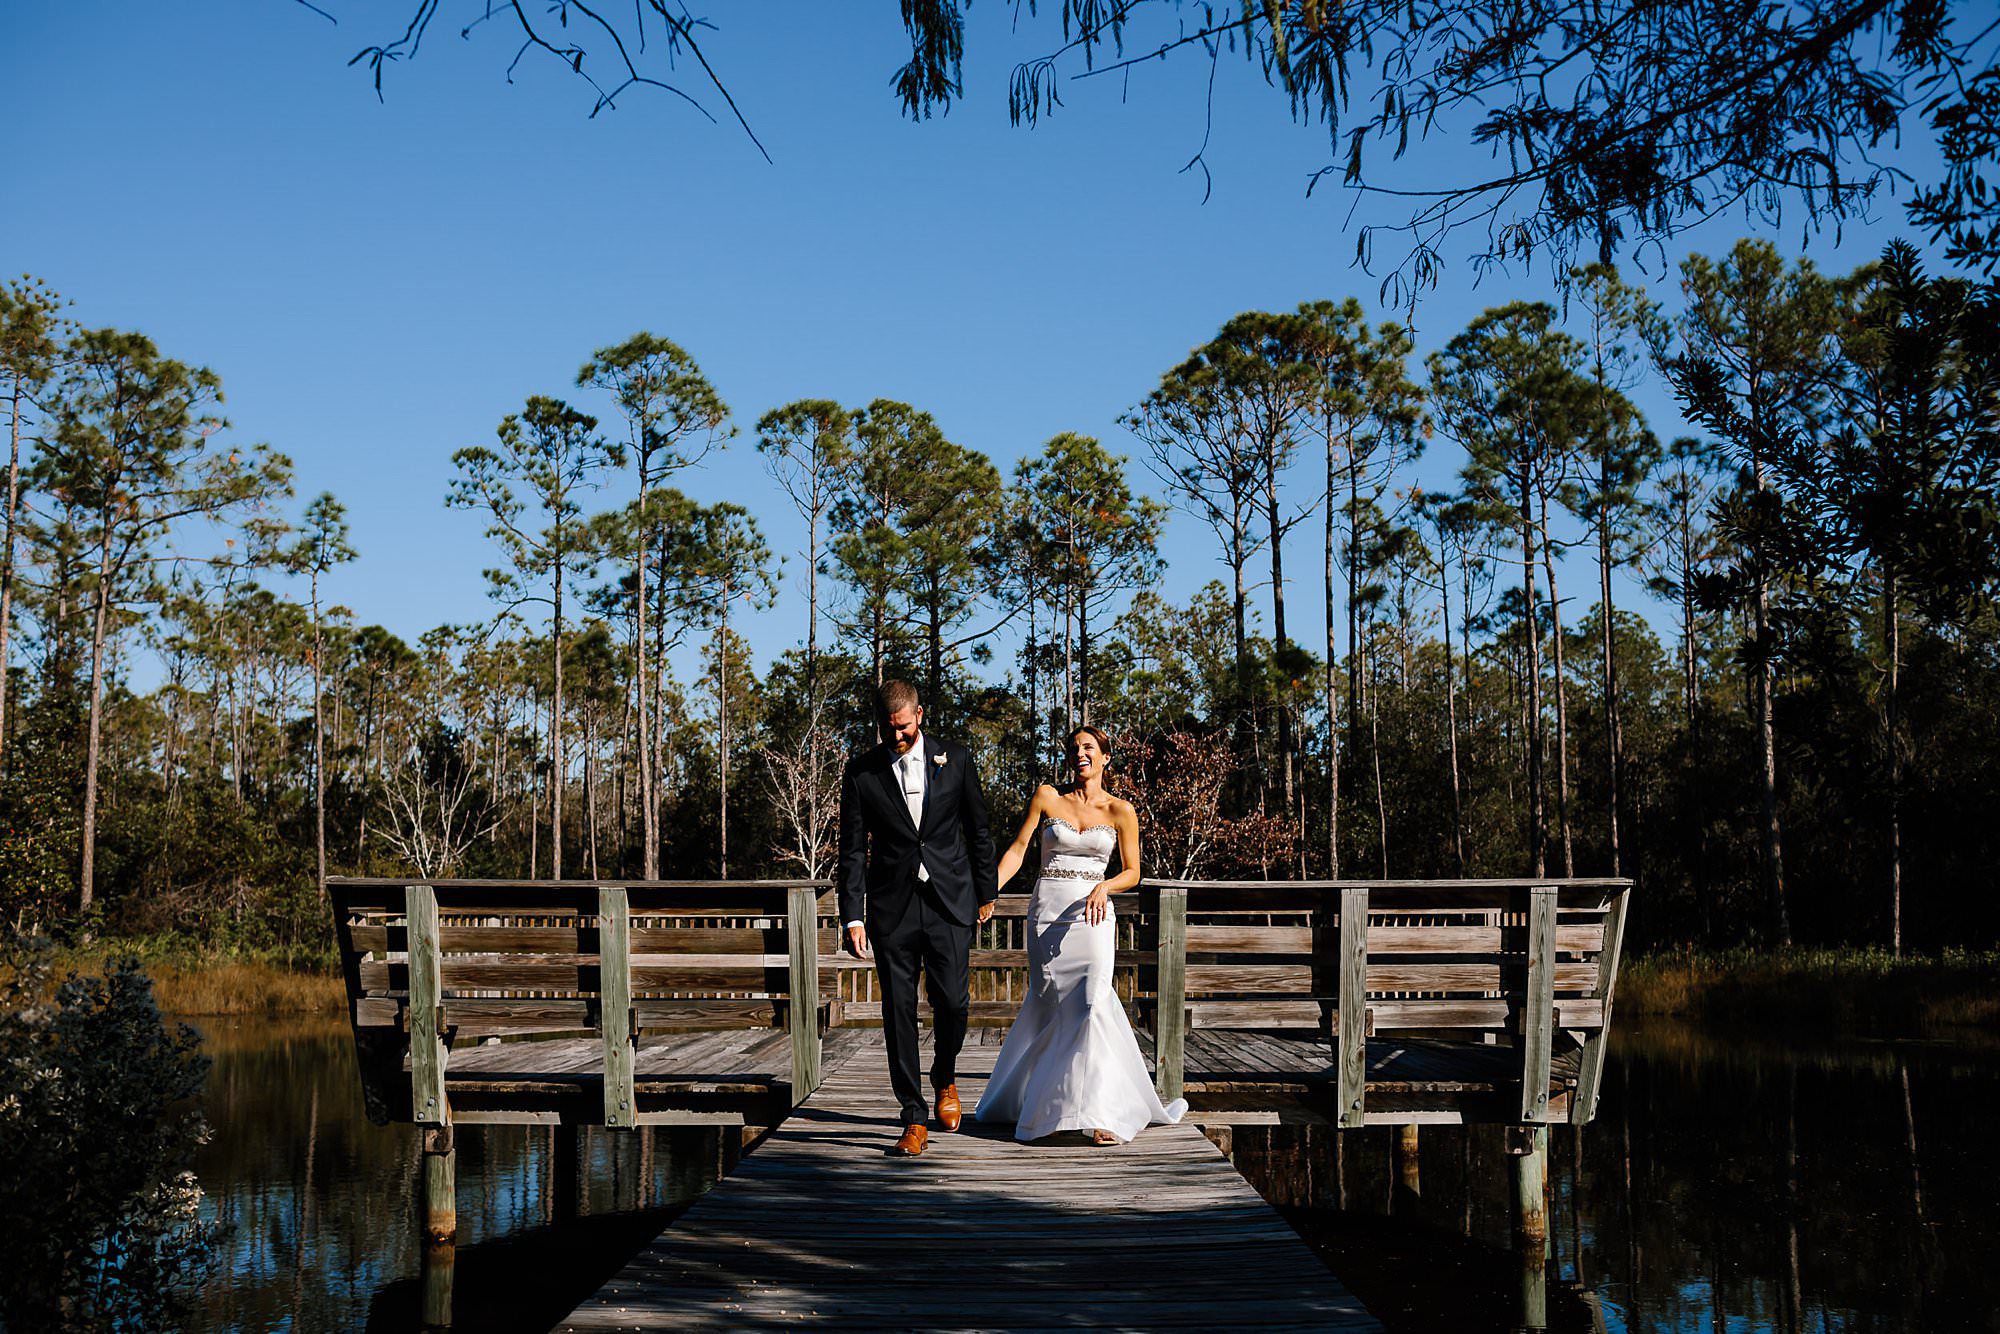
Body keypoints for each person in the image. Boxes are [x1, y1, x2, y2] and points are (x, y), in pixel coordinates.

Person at [975, 726, 1188, 1144]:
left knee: (1091, 1005)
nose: (1079, 754)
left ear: (1106, 757)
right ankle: (1037, 1103)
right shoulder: (1047, 797)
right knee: (1049, 1005)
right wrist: (989, 890)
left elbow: (1133, 871)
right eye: (1073, 749)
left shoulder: (1121, 811)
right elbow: (1018, 849)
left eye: (1088, 748)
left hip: (1092, 918)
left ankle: (1100, 1112)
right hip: (1048, 916)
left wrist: (1104, 887)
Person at [836, 679, 998, 1157]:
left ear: (919, 715)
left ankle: (945, 1074)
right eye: (889, 730)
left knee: (953, 1002)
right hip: (892, 908)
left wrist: (985, 893)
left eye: (903, 728)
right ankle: (912, 1115)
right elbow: (851, 851)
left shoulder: (958, 758)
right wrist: (852, 916)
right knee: (898, 1012)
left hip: (950, 902)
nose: (897, 737)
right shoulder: (861, 772)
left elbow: (979, 830)